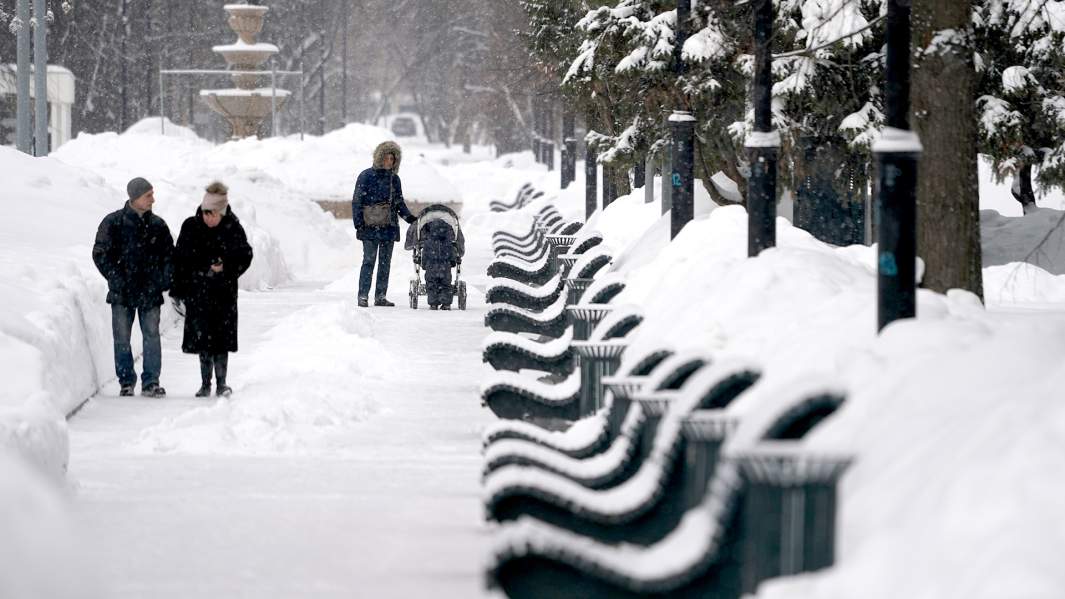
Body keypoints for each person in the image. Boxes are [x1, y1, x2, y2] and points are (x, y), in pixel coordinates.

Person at [92, 177, 174, 398]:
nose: (152, 200)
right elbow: (101, 253)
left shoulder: (158, 225)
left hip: (150, 291)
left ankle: (151, 382)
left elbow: (170, 257)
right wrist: (115, 277)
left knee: (151, 336)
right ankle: (126, 381)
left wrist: (163, 280)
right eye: (148, 195)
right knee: (121, 338)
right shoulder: (113, 223)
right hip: (122, 293)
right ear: (135, 197)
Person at [170, 182, 253, 398]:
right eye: (206, 213)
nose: (209, 218)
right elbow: (179, 259)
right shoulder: (191, 226)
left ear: (222, 212)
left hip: (223, 294)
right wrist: (178, 290)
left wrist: (226, 266)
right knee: (203, 340)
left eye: (213, 214)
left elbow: (245, 255)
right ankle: (205, 383)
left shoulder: (232, 228)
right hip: (198, 294)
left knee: (221, 340)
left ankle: (222, 383)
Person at [352, 141, 417, 307]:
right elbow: (357, 201)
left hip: (388, 226)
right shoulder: (365, 176)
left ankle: (380, 296)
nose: (390, 162)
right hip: (368, 226)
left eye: (393, 159)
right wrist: (358, 223)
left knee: (384, 263)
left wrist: (410, 219)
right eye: (387, 158)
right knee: (369, 261)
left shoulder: (394, 179)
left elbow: (399, 202)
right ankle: (363, 295)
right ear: (380, 158)